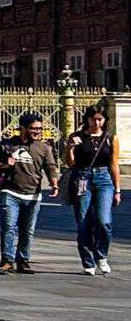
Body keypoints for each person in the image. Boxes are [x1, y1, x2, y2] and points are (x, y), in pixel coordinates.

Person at [0, 111, 60, 274]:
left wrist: (54, 183)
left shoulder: (43, 148)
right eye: (34, 129)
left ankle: (23, 260)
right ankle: (7, 260)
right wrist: (3, 164)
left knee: (28, 230)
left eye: (40, 129)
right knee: (8, 227)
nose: (37, 132)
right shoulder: (7, 145)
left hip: (33, 194)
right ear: (23, 128)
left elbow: (50, 167)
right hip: (10, 191)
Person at [67, 106, 117, 275]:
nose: (97, 122)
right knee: (83, 221)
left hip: (104, 179)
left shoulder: (110, 138)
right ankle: (88, 262)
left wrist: (117, 190)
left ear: (104, 120)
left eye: (100, 119)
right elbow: (70, 163)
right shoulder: (77, 137)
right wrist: (70, 148)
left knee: (104, 221)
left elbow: (114, 165)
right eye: (93, 119)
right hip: (82, 177)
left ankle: (101, 255)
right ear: (87, 119)